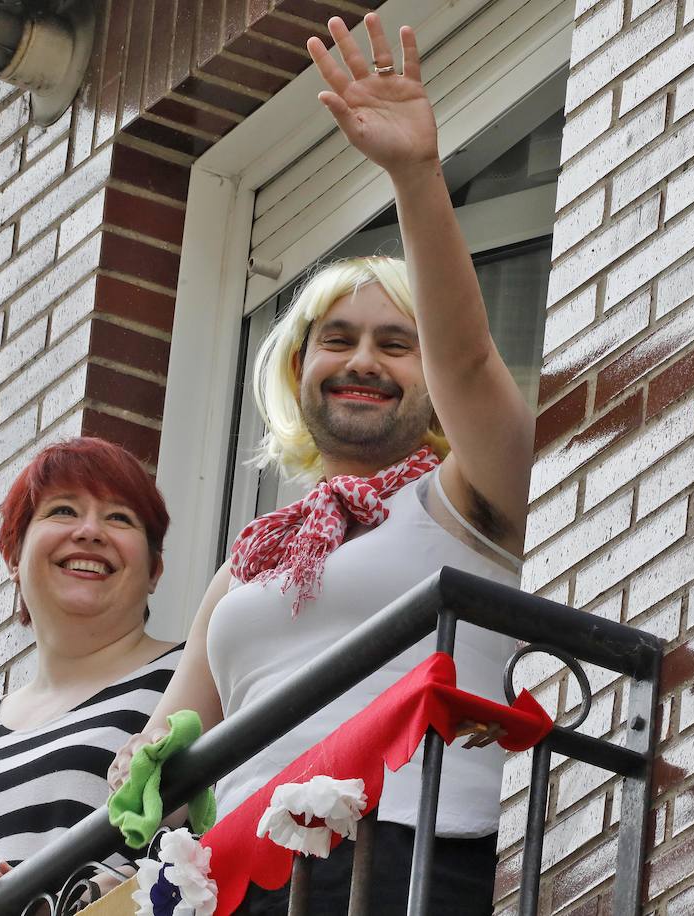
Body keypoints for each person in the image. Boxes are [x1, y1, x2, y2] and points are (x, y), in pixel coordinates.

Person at [108, 12, 535, 914]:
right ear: (298, 371)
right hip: (255, 884)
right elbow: (161, 761)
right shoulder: (250, 558)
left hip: (419, 861)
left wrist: (415, 173)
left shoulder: (468, 496)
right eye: (335, 340)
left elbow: (469, 365)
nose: (363, 362)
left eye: (396, 342)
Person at [0, 437, 182, 916]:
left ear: (154, 570)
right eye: (64, 511)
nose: (90, 532)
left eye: (119, 518)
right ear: (13, 558)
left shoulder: (186, 677)